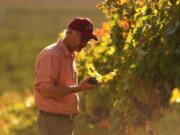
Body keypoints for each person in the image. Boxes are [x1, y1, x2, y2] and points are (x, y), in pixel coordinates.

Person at [34, 17, 98, 135]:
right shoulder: (52, 55)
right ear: (69, 33)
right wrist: (79, 88)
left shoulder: (68, 56)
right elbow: (46, 91)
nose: (84, 43)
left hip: (62, 121)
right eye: (82, 38)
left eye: (87, 40)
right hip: (53, 122)